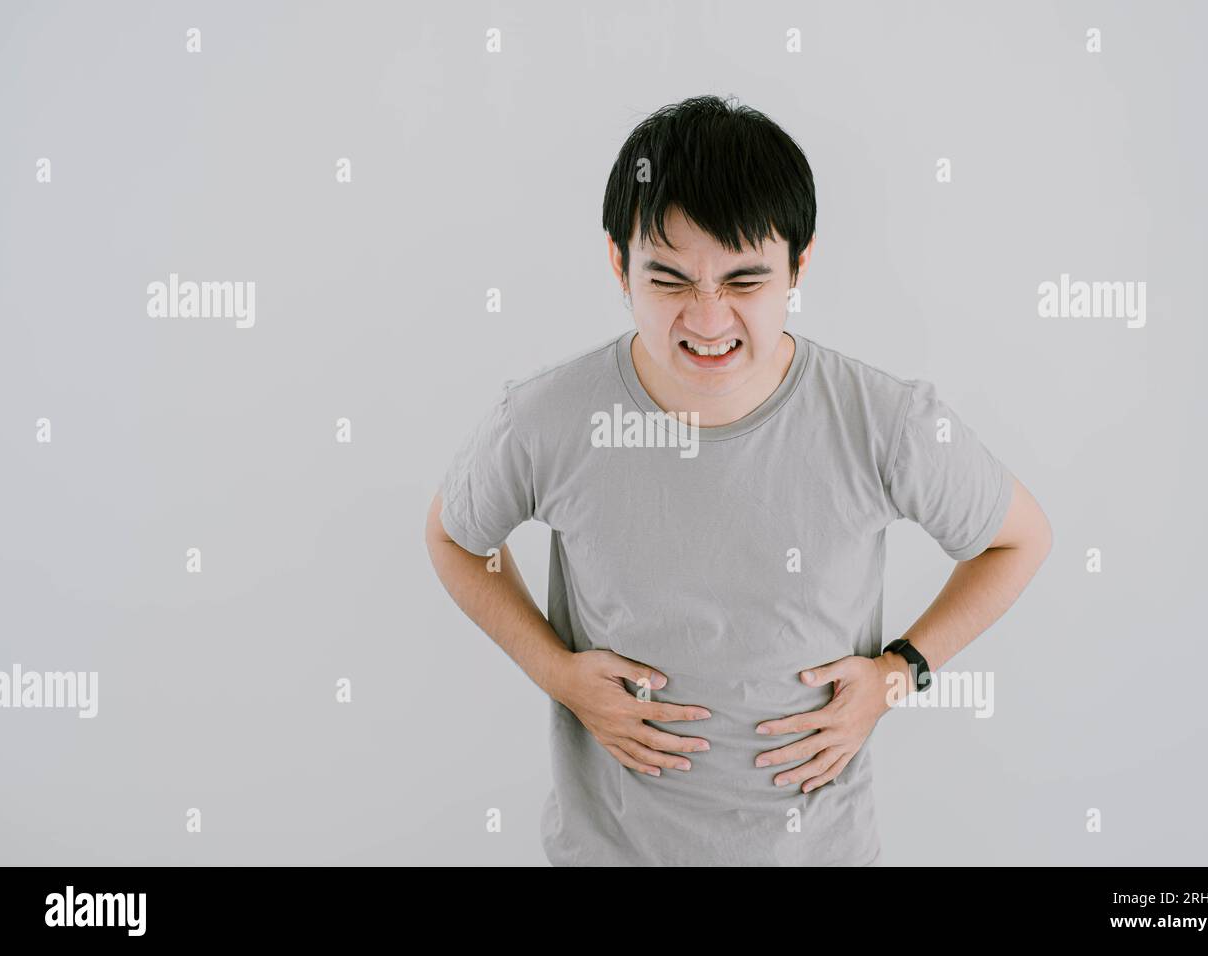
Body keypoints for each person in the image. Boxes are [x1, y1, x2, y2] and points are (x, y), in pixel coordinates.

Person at [425, 94, 1052, 866]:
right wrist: (557, 673)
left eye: (745, 281)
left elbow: (1018, 540)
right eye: (671, 279)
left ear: (800, 266)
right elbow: (455, 537)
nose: (710, 319)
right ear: (619, 263)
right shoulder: (548, 417)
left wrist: (899, 673)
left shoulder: (885, 420)